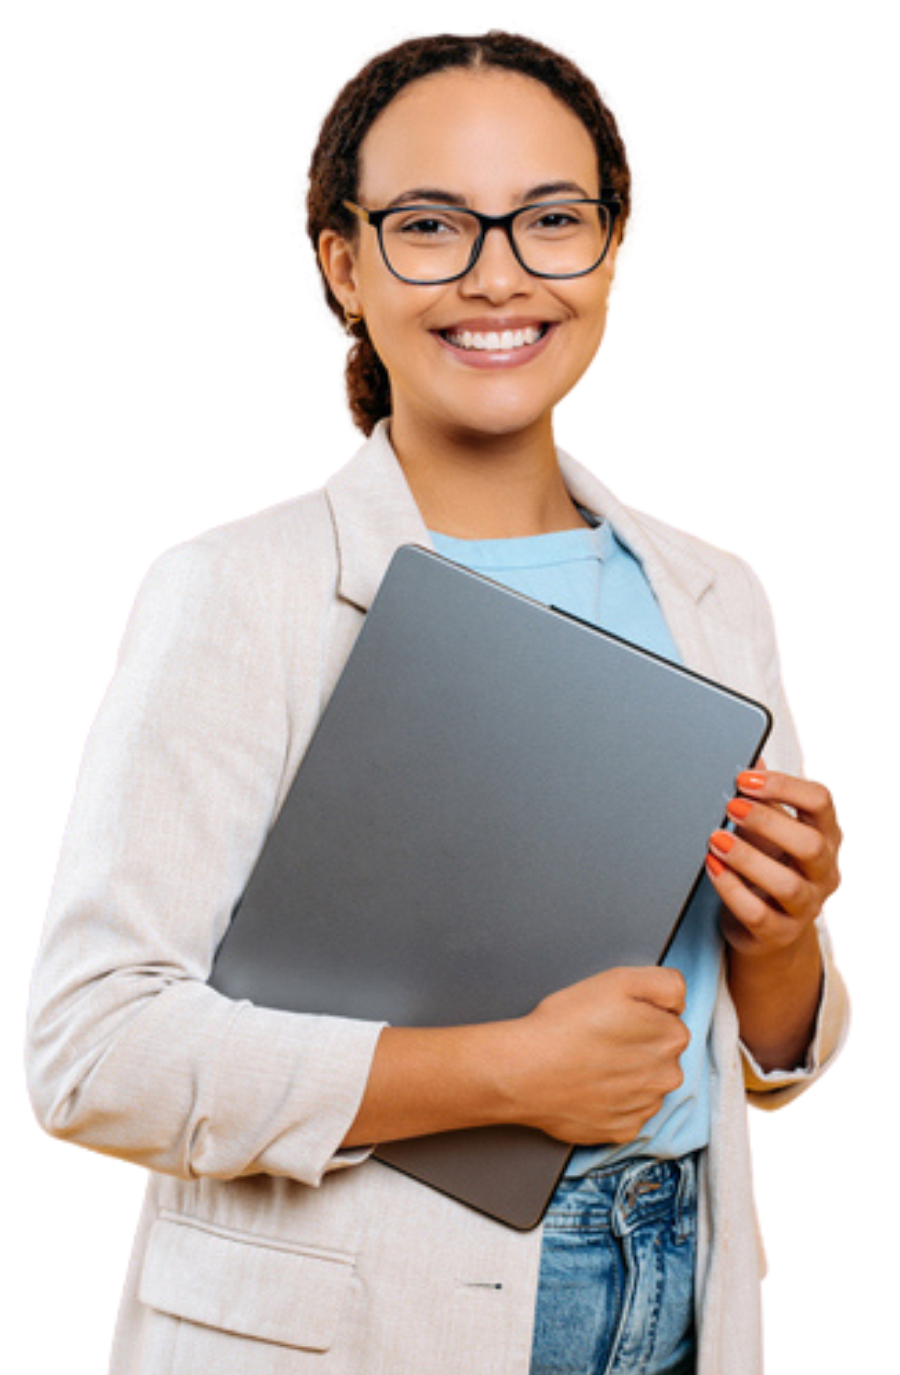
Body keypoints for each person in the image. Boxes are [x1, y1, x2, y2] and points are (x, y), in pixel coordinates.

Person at [24, 29, 850, 1375]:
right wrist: (503, 1076)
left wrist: (782, 933)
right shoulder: (234, 588)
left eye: (551, 221)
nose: (497, 274)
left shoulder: (715, 591)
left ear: (619, 248)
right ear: (343, 264)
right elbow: (90, 1050)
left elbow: (769, 1057)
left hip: (685, 1282)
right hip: (355, 1317)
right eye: (429, 225)